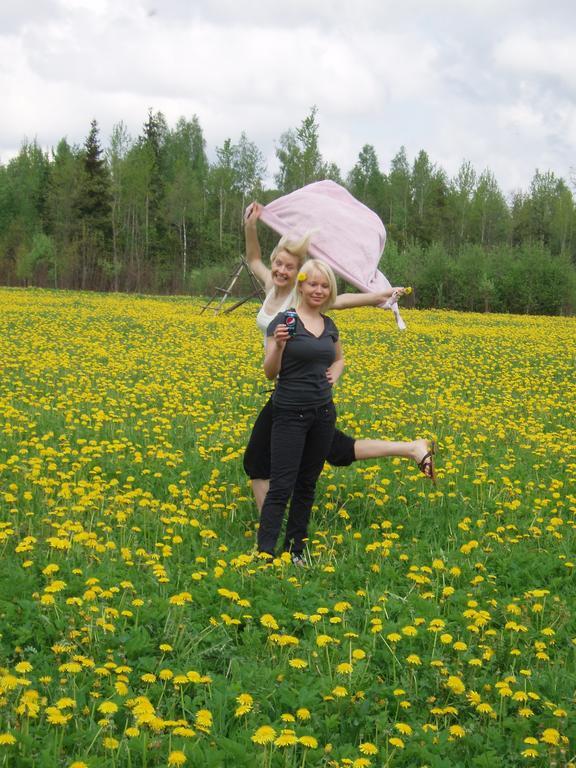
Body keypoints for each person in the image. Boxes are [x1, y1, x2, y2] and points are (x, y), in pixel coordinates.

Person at [243, 203, 436, 514]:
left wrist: (378, 296)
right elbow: (252, 258)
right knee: (335, 449)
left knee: (258, 458)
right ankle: (412, 448)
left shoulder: (302, 297)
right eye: (278, 264)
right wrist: (251, 225)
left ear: (300, 273)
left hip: (299, 392)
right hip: (288, 392)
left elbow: (341, 300)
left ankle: (270, 526)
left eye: (290, 267)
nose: (281, 270)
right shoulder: (271, 287)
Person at [257, 259, 342, 562]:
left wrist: (337, 370)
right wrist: (279, 346)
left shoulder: (330, 325)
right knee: (281, 485)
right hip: (290, 413)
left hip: (322, 414)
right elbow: (269, 372)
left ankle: (295, 551)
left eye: (324, 285)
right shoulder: (283, 320)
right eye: (313, 284)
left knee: (307, 484)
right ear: (301, 285)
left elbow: (338, 358)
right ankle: (265, 553)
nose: (318, 290)